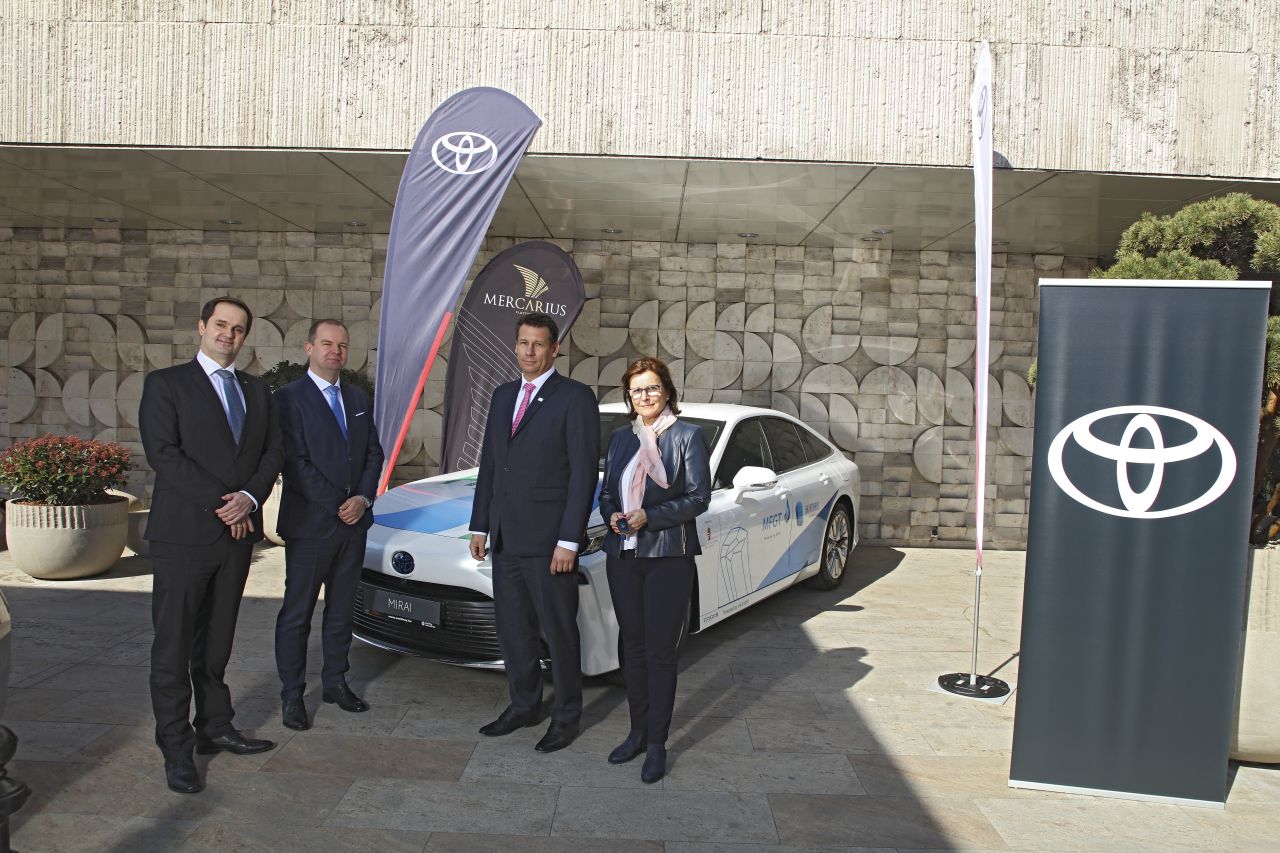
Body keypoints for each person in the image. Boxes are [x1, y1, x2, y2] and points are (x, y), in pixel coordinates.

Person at [139, 296, 284, 794]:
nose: (229, 334)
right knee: (174, 644)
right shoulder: (166, 384)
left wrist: (249, 498)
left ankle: (215, 727)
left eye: (238, 328)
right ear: (202, 327)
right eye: (221, 324)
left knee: (217, 640)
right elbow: (164, 453)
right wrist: (224, 504)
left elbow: (273, 450)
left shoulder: (256, 390)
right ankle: (175, 747)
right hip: (184, 535)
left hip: (236, 538)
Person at [469, 312, 600, 753]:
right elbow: (491, 464)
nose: (529, 351)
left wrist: (568, 540)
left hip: (549, 544)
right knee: (514, 630)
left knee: (558, 632)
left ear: (554, 349)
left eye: (538, 344)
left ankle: (565, 716)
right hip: (505, 538)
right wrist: (480, 525)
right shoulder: (503, 395)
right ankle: (524, 705)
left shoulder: (575, 398)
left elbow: (583, 474)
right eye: (523, 342)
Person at [597, 356, 711, 783]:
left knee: (661, 653)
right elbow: (607, 493)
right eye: (636, 390)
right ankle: (637, 733)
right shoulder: (620, 438)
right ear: (629, 396)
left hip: (667, 557)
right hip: (623, 556)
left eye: (652, 388)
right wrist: (612, 514)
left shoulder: (687, 436)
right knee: (633, 648)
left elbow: (699, 498)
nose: (644, 396)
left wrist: (649, 516)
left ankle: (658, 744)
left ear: (667, 391)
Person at [273, 319, 384, 731]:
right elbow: (295, 462)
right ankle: (292, 695)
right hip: (311, 525)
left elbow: (374, 453)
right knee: (298, 613)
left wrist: (363, 499)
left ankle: (335, 681)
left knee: (341, 610)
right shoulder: (288, 398)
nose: (335, 351)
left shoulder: (356, 397)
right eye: (327, 344)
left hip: (353, 525)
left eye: (342, 345)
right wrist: (339, 503)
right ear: (309, 348)